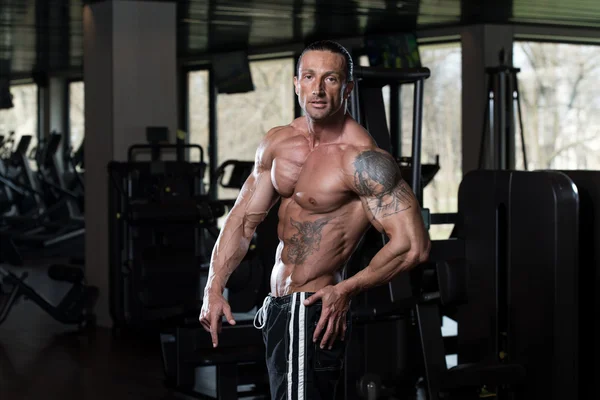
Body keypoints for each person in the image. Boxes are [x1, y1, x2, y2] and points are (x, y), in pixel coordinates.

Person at [199, 40, 431, 400]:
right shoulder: (278, 143)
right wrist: (214, 288)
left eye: (331, 79)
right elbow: (242, 219)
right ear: (297, 83)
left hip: (310, 309)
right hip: (277, 309)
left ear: (348, 88)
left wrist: (345, 290)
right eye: (309, 77)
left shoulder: (362, 159)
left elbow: (413, 246)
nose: (318, 89)